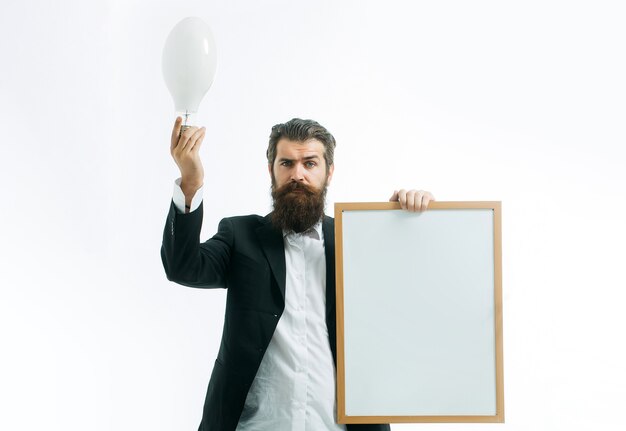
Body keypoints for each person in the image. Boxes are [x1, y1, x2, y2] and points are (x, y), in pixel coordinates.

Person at [161, 117, 435, 431]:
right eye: (287, 163)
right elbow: (182, 265)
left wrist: (409, 226)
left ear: (329, 172)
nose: (297, 174)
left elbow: (416, 299)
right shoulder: (240, 235)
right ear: (271, 170)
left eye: (310, 163)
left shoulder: (359, 240)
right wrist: (190, 182)